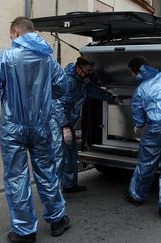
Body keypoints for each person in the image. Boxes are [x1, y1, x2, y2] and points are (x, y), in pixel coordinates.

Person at [0, 17, 70, 243]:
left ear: (15, 32)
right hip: (41, 126)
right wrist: (46, 97)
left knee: (16, 177)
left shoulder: (6, 57)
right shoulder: (47, 59)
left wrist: (1, 94)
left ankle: (25, 231)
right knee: (47, 173)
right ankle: (57, 219)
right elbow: (63, 87)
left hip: (13, 127)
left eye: (11, 35)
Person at [124, 56, 161, 221]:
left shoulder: (141, 89)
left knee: (146, 164)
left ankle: (136, 195)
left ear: (137, 72)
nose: (132, 76)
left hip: (156, 129)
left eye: (132, 73)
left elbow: (139, 120)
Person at [52, 56, 118, 193]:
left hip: (68, 123)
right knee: (58, 155)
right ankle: (53, 192)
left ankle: (69, 185)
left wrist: (111, 97)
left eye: (90, 71)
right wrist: (64, 126)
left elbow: (94, 91)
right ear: (78, 67)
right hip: (57, 123)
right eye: (87, 70)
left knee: (70, 154)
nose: (89, 73)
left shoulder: (81, 83)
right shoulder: (67, 81)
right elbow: (57, 105)